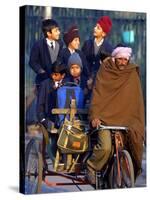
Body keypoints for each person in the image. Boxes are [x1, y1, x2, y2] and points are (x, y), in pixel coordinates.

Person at [86, 45, 145, 184]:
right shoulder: (105, 70)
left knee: (133, 145)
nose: (123, 62)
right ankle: (92, 167)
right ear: (115, 58)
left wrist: (135, 120)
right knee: (105, 147)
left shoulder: (131, 72)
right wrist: (95, 116)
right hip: (104, 120)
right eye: (120, 59)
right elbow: (98, 95)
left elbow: (135, 100)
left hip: (124, 120)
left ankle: (124, 174)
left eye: (126, 60)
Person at [29, 19, 63, 89]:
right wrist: (41, 71)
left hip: (57, 80)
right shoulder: (38, 45)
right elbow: (32, 62)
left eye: (58, 30)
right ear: (48, 33)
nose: (59, 32)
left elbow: (60, 58)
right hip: (43, 81)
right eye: (56, 30)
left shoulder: (60, 44)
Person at [36, 60, 67, 128]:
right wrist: (43, 120)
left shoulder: (67, 85)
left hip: (64, 122)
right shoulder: (45, 84)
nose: (53, 77)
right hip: (48, 121)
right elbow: (40, 104)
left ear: (63, 75)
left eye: (56, 74)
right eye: (52, 74)